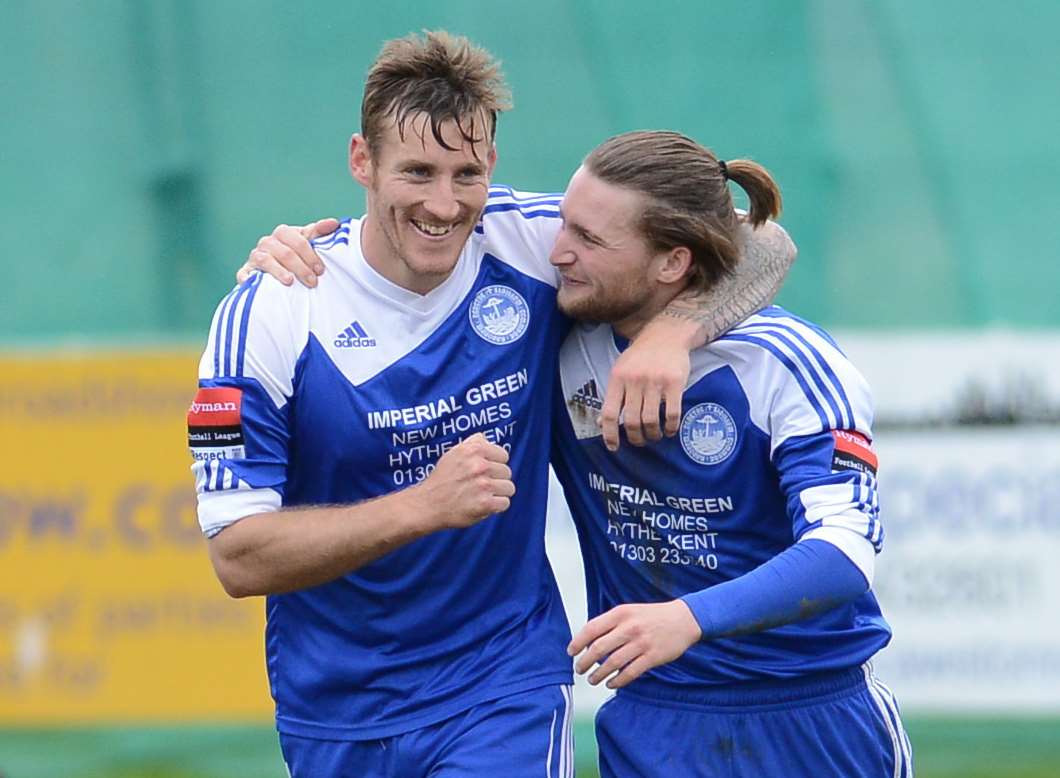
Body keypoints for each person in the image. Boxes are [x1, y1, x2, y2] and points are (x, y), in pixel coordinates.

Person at [192, 31, 794, 778]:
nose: (444, 205)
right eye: (416, 172)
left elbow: (763, 242)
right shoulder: (272, 312)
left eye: (465, 173)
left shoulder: (529, 239)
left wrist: (675, 332)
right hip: (335, 705)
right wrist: (425, 504)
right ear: (361, 162)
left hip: (503, 681)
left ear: (492, 167)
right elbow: (236, 556)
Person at [256, 131, 911, 777]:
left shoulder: (787, 364)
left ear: (671, 263)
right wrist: (314, 257)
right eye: (563, 224)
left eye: (588, 240)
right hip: (652, 722)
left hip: (815, 721)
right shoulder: (558, 347)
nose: (556, 251)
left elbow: (845, 556)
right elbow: (397, 242)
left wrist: (688, 619)